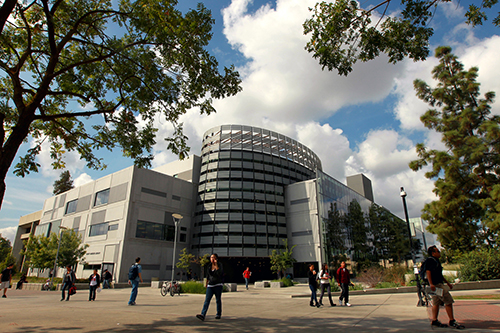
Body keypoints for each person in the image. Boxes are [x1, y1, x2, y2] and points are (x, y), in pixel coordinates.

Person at [425, 246, 465, 329]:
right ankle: (452, 320)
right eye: (438, 251)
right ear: (433, 253)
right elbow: (428, 272)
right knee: (448, 300)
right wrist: (431, 284)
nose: (439, 253)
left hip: (438, 284)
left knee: (436, 302)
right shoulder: (430, 260)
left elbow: (439, 274)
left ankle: (434, 320)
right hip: (436, 285)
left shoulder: (436, 261)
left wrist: (448, 283)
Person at [196, 253, 224, 321]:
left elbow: (219, 273)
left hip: (218, 285)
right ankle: (203, 314)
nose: (212, 259)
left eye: (213, 257)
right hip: (210, 285)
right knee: (207, 300)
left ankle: (218, 314)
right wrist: (206, 283)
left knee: (218, 300)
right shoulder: (209, 266)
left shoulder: (220, 265)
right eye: (211, 257)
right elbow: (208, 275)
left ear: (216, 258)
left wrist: (216, 264)